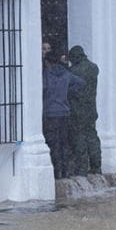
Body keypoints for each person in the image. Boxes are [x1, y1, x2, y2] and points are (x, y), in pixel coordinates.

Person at [43, 49, 85, 179]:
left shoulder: (45, 74)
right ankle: (65, 171)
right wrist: (67, 91)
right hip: (65, 113)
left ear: (47, 62)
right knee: (64, 143)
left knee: (53, 143)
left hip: (50, 113)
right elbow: (82, 83)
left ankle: (56, 172)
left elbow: (42, 88)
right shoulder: (66, 74)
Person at [67, 45, 102, 176]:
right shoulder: (94, 68)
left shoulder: (73, 71)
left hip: (77, 110)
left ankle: (82, 168)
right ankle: (96, 166)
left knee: (79, 139)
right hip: (91, 109)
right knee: (92, 137)